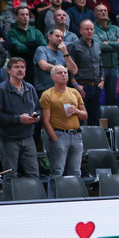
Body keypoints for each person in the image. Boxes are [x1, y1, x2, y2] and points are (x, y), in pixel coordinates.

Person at [0, 58, 41, 201]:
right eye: (17, 67)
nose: (20, 70)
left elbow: (37, 108)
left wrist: (36, 116)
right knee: (10, 175)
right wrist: (18, 119)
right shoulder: (0, 90)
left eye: (23, 67)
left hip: (28, 137)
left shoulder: (30, 88)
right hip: (8, 139)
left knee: (33, 173)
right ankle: (9, 205)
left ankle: (34, 202)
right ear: (9, 70)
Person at [39, 64, 87, 196]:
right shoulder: (47, 95)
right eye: (60, 73)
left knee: (76, 172)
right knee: (57, 171)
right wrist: (55, 138)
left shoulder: (74, 92)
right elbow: (45, 120)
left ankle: (75, 198)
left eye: (65, 73)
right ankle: (54, 200)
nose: (64, 75)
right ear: (53, 76)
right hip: (59, 134)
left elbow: (85, 115)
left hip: (76, 135)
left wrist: (77, 111)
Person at [70, 20, 103, 127]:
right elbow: (69, 68)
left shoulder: (97, 45)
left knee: (95, 118)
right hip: (81, 86)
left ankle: (94, 142)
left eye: (91, 29)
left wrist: (102, 80)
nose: (89, 31)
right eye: (86, 29)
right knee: (80, 119)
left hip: (96, 86)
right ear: (80, 30)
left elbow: (101, 65)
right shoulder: (74, 46)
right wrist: (75, 85)